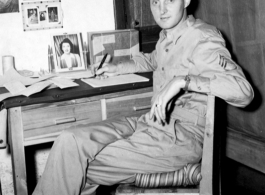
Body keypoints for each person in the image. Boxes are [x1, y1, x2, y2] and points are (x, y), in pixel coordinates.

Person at [33, 0, 254, 194]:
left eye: (169, 0)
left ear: (186, 0)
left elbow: (243, 92)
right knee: (68, 141)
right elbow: (153, 59)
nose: (161, 9)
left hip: (183, 136)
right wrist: (117, 67)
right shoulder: (168, 35)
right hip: (152, 122)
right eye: (155, 2)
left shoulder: (203, 37)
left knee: (73, 166)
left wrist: (182, 81)